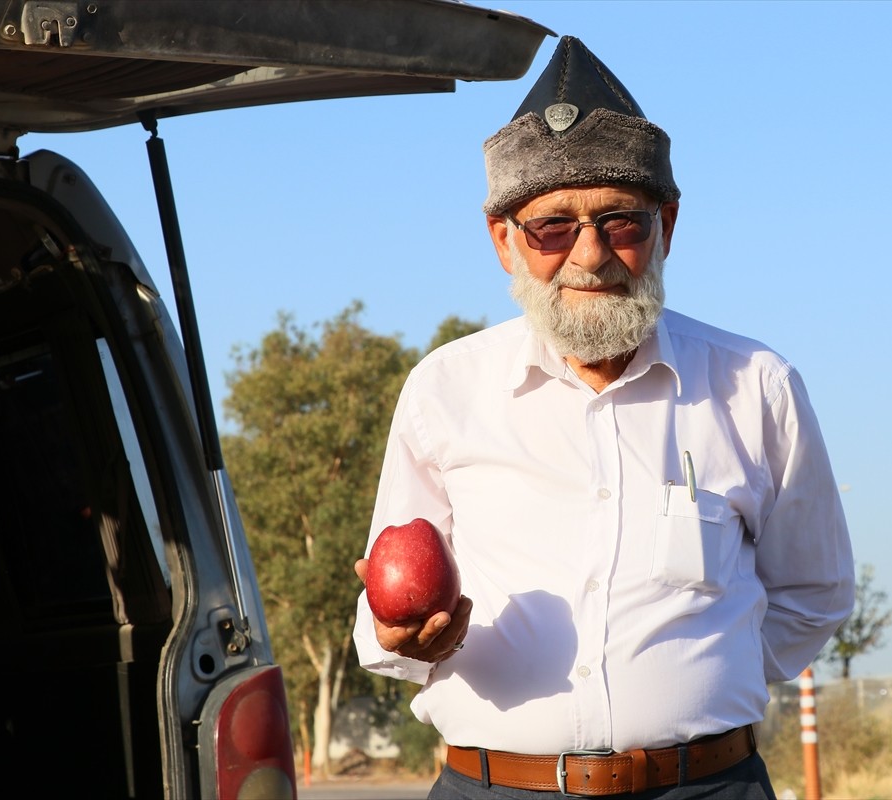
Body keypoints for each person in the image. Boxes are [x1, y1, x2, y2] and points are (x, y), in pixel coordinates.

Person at [352, 35, 854, 800]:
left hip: (706, 788)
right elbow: (386, 611)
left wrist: (701, 677)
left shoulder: (756, 386)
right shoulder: (445, 391)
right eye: (552, 227)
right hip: (493, 787)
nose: (590, 255)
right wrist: (401, 637)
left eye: (621, 221)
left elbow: (815, 593)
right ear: (504, 242)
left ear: (667, 228)